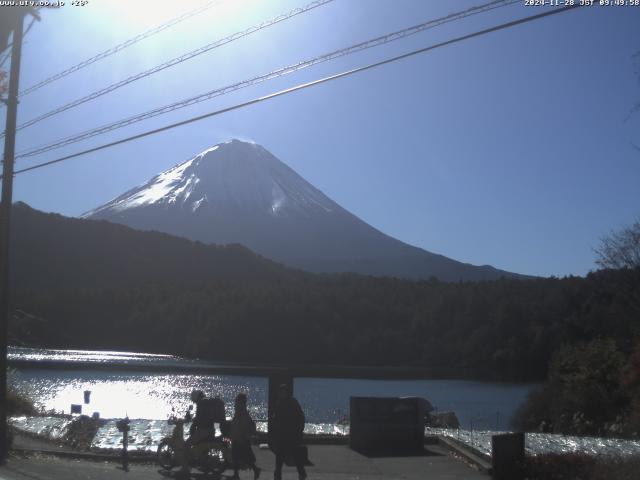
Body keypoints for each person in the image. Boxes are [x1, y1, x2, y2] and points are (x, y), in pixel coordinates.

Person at [271, 384, 307, 480]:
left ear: (286, 392)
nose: (280, 394)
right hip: (285, 434)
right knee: (281, 455)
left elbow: (300, 417)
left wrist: (299, 430)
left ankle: (301, 473)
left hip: (291, 434)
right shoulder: (283, 403)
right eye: (280, 392)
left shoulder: (291, 402)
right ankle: (278, 474)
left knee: (293, 454)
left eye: (282, 392)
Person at [230, 393, 261, 480]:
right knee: (239, 456)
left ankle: (255, 470)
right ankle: (237, 474)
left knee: (240, 456)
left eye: (237, 399)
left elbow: (240, 424)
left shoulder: (240, 410)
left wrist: (238, 435)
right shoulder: (242, 410)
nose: (235, 402)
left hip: (240, 437)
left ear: (239, 400)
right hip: (240, 437)